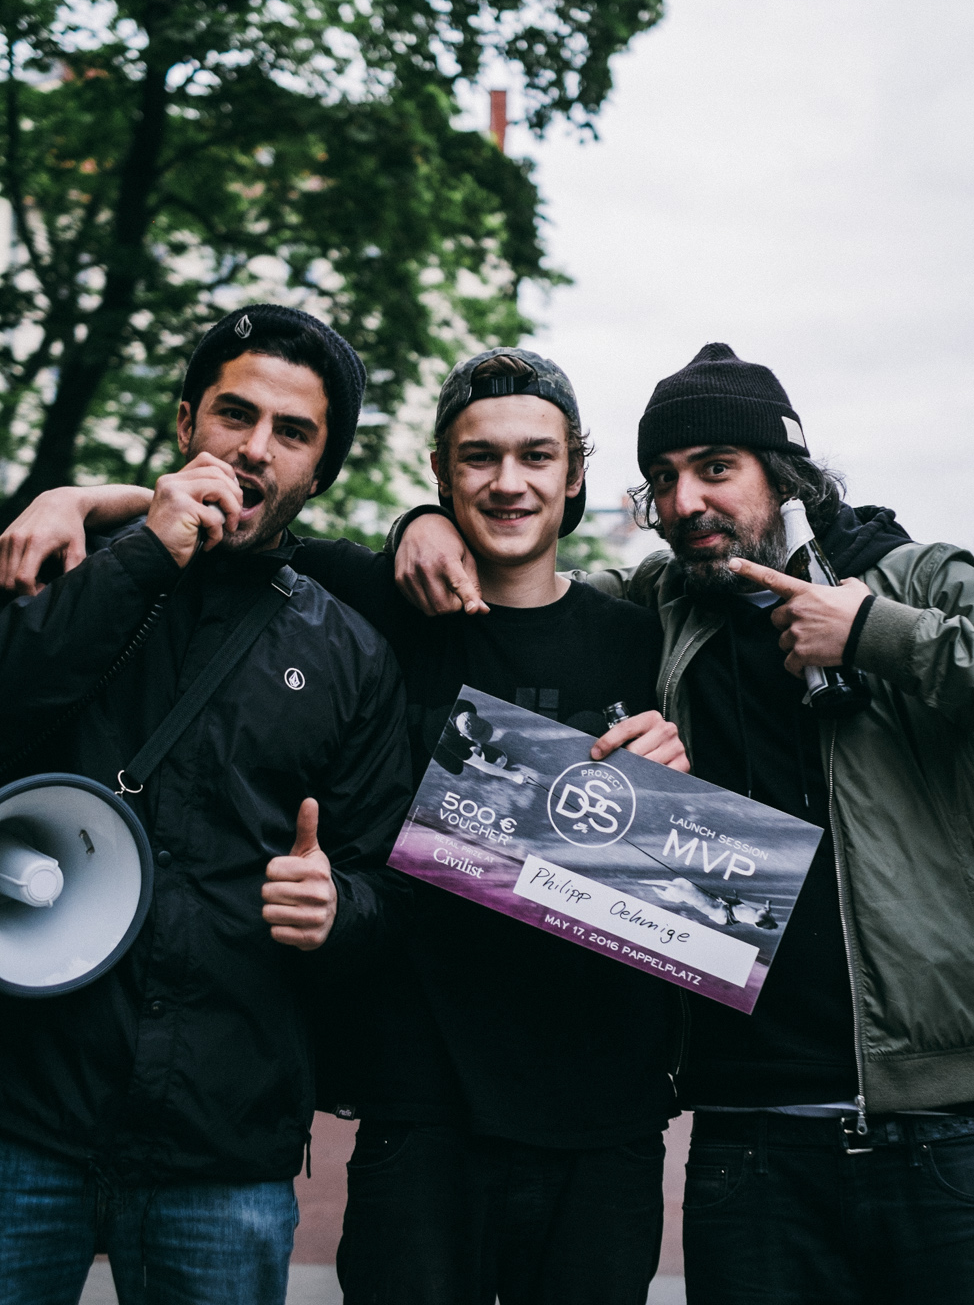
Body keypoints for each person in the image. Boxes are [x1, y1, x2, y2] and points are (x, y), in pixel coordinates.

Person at [4, 347, 692, 1305]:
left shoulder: (647, 641)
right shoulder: (366, 599)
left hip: (599, 1111)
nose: (508, 482)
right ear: (440, 472)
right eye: (478, 457)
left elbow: (710, 873)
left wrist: (675, 776)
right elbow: (244, 511)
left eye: (537, 456)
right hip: (418, 1106)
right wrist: (76, 497)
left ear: (575, 474)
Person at [379, 341, 974, 1305]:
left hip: (943, 1126)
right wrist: (423, 521)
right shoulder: (665, 603)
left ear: (785, 472)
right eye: (663, 480)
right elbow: (527, 580)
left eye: (716, 468)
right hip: (745, 1137)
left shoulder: (911, 579)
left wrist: (871, 633)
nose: (685, 503)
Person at [0, 305, 412, 1305]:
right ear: (188, 421)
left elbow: (388, 886)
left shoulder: (351, 653)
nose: (255, 449)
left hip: (221, 1150)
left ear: (321, 470)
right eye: (236, 414)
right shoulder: (71, 560)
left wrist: (339, 907)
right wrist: (142, 551)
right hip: (25, 1118)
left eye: (292, 432)